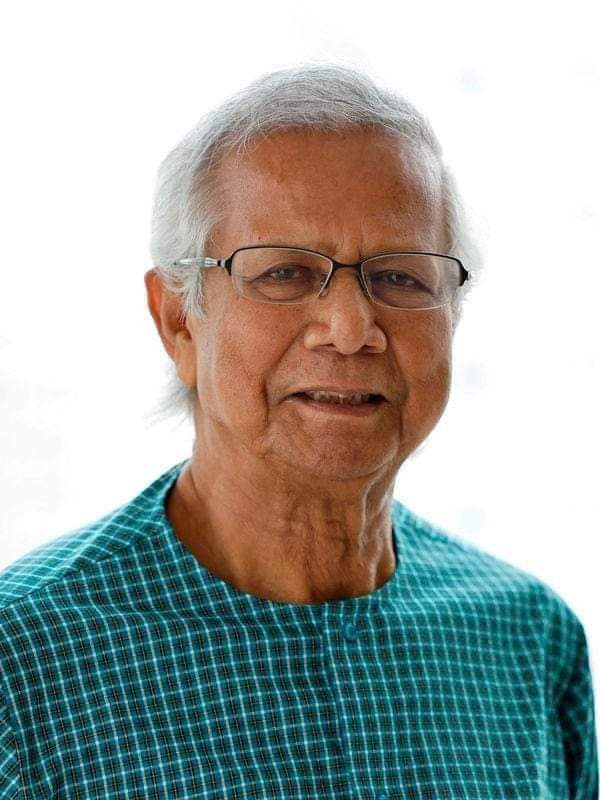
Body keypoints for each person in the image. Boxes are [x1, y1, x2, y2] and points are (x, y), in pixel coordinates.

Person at [0, 64, 596, 799]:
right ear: (178, 319)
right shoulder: (23, 660)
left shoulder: (530, 639)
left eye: (402, 277)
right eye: (283, 272)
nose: (350, 328)